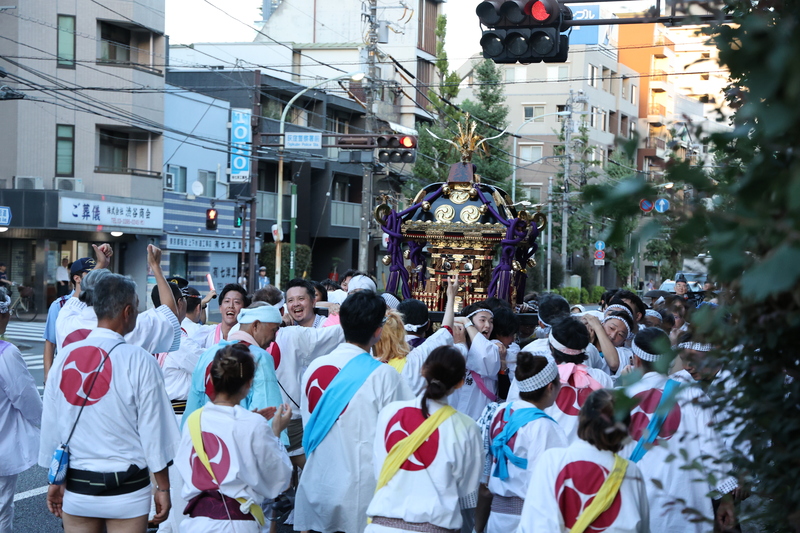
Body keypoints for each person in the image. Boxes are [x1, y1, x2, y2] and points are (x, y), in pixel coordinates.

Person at [40, 272, 179, 531]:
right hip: (128, 488)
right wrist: (163, 487)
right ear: (127, 311)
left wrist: (54, 480)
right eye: (137, 307)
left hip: (78, 485)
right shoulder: (140, 360)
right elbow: (154, 432)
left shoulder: (65, 357)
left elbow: (52, 424)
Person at [295, 290, 414, 533]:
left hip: (315, 485)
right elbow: (402, 436)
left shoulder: (314, 367)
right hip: (359, 495)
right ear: (378, 330)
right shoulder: (384, 375)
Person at [621, 328, 737, 533]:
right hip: (686, 509)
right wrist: (726, 499)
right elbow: (713, 452)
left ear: (636, 359)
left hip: (633, 506)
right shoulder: (694, 395)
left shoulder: (617, 398)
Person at [365, 346, 483, 533]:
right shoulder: (467, 427)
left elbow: (379, 467)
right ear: (461, 383)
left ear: (423, 371)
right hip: (434, 526)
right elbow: (467, 492)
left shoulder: (389, 413)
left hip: (380, 525)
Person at [176, 343, 293, 533]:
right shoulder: (253, 424)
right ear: (249, 383)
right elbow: (279, 479)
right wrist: (276, 432)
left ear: (212, 380)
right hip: (236, 523)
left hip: (195, 523)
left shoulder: (193, 421)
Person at [520, 389, 650, 532]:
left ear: (582, 417)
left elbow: (533, 525)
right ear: (625, 430)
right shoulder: (632, 472)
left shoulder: (551, 461)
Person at [485, 352, 567, 533]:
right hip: (528, 519)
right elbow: (551, 483)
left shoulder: (500, 411)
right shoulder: (544, 426)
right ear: (549, 387)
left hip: (496, 517)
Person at [55, 245, 181, 355]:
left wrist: (100, 264)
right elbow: (170, 315)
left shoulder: (65, 321)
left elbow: (81, 293)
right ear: (127, 310)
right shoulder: (131, 330)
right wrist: (156, 267)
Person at [183, 303, 284, 425]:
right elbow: (269, 410)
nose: (274, 339)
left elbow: (193, 407)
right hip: (241, 439)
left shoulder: (207, 354)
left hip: (205, 437)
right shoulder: (260, 357)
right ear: (256, 325)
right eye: (273, 330)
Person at [375, 276, 460, 395]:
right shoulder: (420, 355)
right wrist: (451, 297)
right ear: (428, 325)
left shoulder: (375, 358)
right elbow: (446, 330)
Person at [0, 339, 43, 531]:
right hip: (3, 440)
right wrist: (43, 423)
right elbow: (26, 397)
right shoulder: (6, 354)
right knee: (2, 507)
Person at [42, 258, 96, 384]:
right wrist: (48, 378)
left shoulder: (103, 304)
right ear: (77, 278)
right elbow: (50, 343)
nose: (96, 279)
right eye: (91, 274)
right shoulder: (60, 305)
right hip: (69, 373)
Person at [450, 304, 501, 420]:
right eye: (482, 320)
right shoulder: (452, 344)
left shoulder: (493, 346)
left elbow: (486, 357)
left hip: (478, 415)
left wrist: (466, 322)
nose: (488, 326)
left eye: (491, 321)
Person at [192, 284, 250, 349]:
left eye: (236, 302)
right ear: (220, 308)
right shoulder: (206, 334)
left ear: (244, 309)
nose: (231, 306)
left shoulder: (248, 339)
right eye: (227, 301)